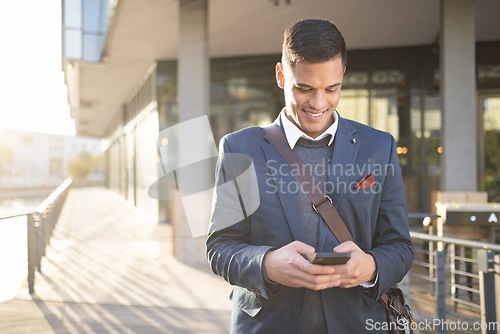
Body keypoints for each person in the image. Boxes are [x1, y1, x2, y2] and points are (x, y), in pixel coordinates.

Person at [206, 18, 414, 333]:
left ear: (343, 74)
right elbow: (220, 247)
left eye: (332, 89)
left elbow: (399, 246)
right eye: (304, 88)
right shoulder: (238, 148)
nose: (318, 103)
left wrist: (370, 266)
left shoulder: (379, 146)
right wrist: (267, 264)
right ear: (280, 75)